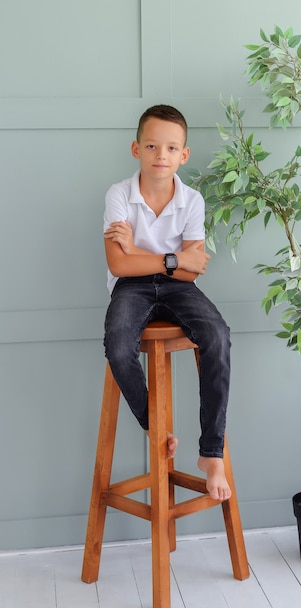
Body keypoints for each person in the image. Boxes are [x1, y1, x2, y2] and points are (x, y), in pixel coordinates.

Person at [103, 104, 232, 501]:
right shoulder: (118, 195)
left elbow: (192, 274)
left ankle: (211, 453)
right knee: (119, 347)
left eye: (172, 148)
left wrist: (141, 249)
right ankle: (153, 425)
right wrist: (173, 259)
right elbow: (118, 263)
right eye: (153, 146)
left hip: (179, 289)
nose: (162, 156)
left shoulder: (192, 201)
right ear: (136, 149)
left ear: (184, 155)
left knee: (217, 336)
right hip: (131, 287)